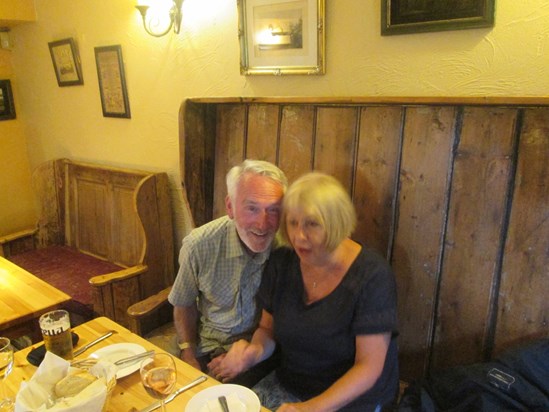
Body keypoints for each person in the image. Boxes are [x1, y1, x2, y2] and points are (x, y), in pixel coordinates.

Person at [209, 172, 399, 411]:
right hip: (290, 386)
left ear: (336, 223)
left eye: (312, 224)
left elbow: (368, 367)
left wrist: (311, 408)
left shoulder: (372, 276)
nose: (299, 236)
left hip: (354, 401)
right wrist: (253, 353)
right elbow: (268, 329)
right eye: (292, 222)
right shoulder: (282, 262)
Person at [168, 159, 287, 386]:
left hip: (262, 348)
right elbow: (183, 303)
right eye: (251, 208)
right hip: (207, 344)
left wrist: (248, 356)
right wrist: (188, 353)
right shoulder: (199, 245)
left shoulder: (287, 250)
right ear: (230, 207)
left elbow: (277, 324)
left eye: (273, 210)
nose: (263, 225)